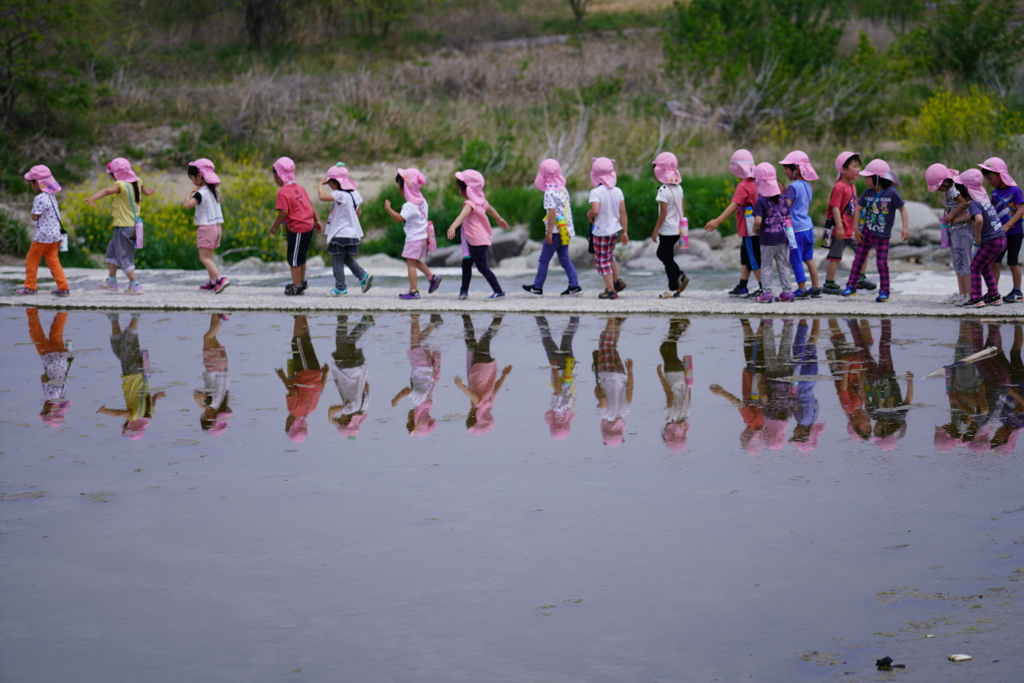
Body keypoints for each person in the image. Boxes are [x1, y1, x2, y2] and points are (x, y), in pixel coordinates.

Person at [841, 158, 909, 302]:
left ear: (877, 178)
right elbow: (858, 210)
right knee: (858, 259)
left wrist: (905, 228)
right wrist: (856, 229)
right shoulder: (867, 193)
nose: (865, 180)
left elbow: (902, 209)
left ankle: (884, 291)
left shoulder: (892, 193)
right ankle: (851, 286)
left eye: (868, 178)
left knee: (881, 264)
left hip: (882, 235)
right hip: (866, 232)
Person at [87, 158, 156, 295]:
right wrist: (148, 192)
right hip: (131, 226)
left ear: (116, 175)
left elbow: (107, 191)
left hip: (123, 227)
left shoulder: (122, 185)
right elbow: (144, 191)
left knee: (124, 256)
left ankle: (135, 285)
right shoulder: (137, 181)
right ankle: (111, 281)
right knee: (112, 250)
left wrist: (93, 198)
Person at [97, 313, 165, 438]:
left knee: (118, 349)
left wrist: (157, 396)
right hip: (132, 375)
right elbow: (120, 413)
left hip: (138, 375)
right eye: (126, 425)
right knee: (129, 343)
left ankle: (114, 318)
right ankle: (136, 316)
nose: (126, 422)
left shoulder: (148, 414)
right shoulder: (134, 416)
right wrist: (105, 411)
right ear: (132, 426)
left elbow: (152, 401)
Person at [446, 169, 510, 300]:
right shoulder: (482, 201)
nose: (459, 191)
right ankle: (463, 291)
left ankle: (498, 291)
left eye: (460, 189)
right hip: (470, 239)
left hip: (476, 240)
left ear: (467, 189)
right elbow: (491, 210)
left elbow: (461, 216)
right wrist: (499, 218)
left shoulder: (470, 204)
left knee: (482, 267)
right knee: (466, 263)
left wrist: (453, 226)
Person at [704, 149, 761, 298]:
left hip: (749, 230)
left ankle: (763, 286)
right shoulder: (757, 182)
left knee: (753, 257)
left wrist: (718, 221)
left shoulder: (743, 186)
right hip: (757, 227)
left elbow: (734, 205)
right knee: (745, 255)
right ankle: (742, 285)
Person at [850, 318, 913, 449]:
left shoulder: (874, 415)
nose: (875, 428)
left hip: (872, 378)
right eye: (877, 431)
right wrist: (909, 383)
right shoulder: (898, 415)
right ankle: (886, 319)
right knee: (884, 346)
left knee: (862, 351)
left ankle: (851, 322)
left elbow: (866, 399)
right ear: (885, 430)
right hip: (888, 374)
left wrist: (862, 381)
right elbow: (908, 399)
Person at [523, 159, 582, 297]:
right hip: (565, 230)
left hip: (555, 231)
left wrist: (549, 233)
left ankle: (537, 287)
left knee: (544, 260)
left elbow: (552, 213)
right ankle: (574, 285)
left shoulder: (549, 192)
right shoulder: (563, 189)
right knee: (564, 259)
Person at [268, 157, 323, 296]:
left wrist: (274, 227)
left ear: (276, 175)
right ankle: (302, 282)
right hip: (309, 226)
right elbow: (310, 204)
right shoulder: (300, 188)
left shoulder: (282, 192)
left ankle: (296, 286)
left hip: (298, 228)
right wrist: (317, 220)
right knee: (302, 256)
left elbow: (284, 212)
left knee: (293, 259)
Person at [385, 168, 442, 300]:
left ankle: (413, 291)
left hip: (414, 238)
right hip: (423, 237)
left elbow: (399, 218)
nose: (398, 187)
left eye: (399, 185)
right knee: (415, 261)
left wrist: (388, 209)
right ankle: (432, 277)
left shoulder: (409, 205)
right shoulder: (422, 200)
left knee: (410, 264)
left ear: (405, 187)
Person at [710, 319, 766, 453]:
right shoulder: (751, 421)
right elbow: (739, 404)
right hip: (753, 378)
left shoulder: (765, 422)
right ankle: (757, 320)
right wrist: (722, 392)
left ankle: (756, 321)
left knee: (757, 349)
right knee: (753, 348)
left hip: (763, 378)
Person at [318, 163, 372, 297]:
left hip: (340, 233)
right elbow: (358, 212)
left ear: (337, 182)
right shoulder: (355, 194)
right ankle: (363, 275)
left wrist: (320, 184)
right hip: (352, 233)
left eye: (330, 184)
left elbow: (322, 197)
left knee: (336, 260)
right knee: (345, 257)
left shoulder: (340, 194)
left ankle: (340, 288)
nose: (330, 187)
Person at [16, 166, 70, 297]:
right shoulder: (51, 196)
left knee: (31, 261)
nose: (31, 186)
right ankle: (63, 287)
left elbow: (35, 217)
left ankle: (30, 287)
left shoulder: (39, 198)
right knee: (53, 262)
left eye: (31, 183)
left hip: (43, 237)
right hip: (55, 236)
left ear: (37, 183)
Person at [956, 169, 1006, 308]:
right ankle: (994, 295)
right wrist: (961, 219)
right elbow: (979, 217)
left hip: (991, 241)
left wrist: (977, 236)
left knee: (975, 267)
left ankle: (976, 298)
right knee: (984, 267)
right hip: (1001, 238)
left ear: (966, 189)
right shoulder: (984, 200)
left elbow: (978, 219)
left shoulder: (973, 204)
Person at [455, 315, 512, 435]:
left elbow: (496, 387)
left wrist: (504, 375)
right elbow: (471, 394)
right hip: (480, 366)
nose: (468, 414)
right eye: (469, 417)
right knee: (485, 339)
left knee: (471, 341)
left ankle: (466, 316)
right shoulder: (478, 404)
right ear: (474, 417)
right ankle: (498, 316)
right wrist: (461, 386)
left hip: (485, 366)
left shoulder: (489, 402)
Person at [276, 315, 328, 442]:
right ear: (291, 425)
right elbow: (293, 391)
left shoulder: (310, 410)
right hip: (305, 372)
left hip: (316, 372)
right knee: (297, 341)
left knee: (306, 340)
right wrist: (282, 376)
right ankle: (299, 312)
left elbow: (319, 391)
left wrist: (325, 374)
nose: (286, 421)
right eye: (287, 425)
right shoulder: (294, 410)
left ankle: (302, 315)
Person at [925, 163, 972, 305]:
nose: (938, 190)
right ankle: (962, 293)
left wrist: (952, 216)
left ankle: (968, 294)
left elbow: (965, 204)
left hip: (962, 229)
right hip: (954, 229)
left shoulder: (953, 189)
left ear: (945, 181)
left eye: (939, 187)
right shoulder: (949, 189)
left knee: (963, 261)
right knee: (957, 262)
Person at [979, 157, 1024, 303]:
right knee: (995, 262)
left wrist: (1008, 225)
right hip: (998, 235)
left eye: (991, 178)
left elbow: (1021, 209)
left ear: (1001, 175)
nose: (989, 181)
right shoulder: (995, 193)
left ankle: (1017, 291)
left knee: (1012, 261)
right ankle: (993, 292)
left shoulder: (1015, 191)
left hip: (1014, 233)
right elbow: (991, 210)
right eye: (987, 178)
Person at [183, 159, 229, 293]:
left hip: (206, 228)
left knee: (204, 258)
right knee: (209, 257)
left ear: (199, 176)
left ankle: (221, 279)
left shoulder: (200, 193)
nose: (192, 181)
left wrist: (189, 192)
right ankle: (213, 281)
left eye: (192, 178)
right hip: (217, 227)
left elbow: (187, 206)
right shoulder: (214, 191)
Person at [392, 313, 443, 436]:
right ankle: (415, 317)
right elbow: (407, 390)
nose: (408, 417)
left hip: (430, 367)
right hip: (421, 366)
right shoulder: (418, 401)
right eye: (410, 420)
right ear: (416, 419)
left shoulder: (431, 401)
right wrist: (396, 399)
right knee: (414, 342)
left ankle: (433, 325)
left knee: (420, 341)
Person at [751, 163, 795, 303]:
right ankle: (787, 292)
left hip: (767, 240)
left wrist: (755, 230)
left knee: (766, 266)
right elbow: (787, 218)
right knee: (783, 265)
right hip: (782, 239)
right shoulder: (783, 200)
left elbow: (758, 220)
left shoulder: (761, 201)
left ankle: (767, 294)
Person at [586, 157, 629, 300]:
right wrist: (625, 231)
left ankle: (610, 290)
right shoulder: (618, 191)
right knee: (610, 256)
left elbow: (596, 210)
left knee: (602, 260)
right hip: (615, 230)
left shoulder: (596, 192)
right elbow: (623, 212)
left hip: (602, 232)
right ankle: (617, 281)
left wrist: (589, 214)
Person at [779, 151, 820, 298]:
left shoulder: (793, 187)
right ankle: (815, 286)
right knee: (808, 257)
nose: (785, 172)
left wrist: (781, 197)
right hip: (808, 227)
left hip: (796, 230)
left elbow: (785, 208)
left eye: (786, 169)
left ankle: (801, 288)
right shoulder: (807, 185)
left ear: (796, 169)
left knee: (795, 258)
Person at [649, 152, 690, 298]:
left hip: (667, 230)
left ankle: (674, 288)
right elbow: (682, 208)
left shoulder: (663, 190)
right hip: (678, 228)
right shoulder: (679, 188)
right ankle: (680, 276)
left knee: (666, 258)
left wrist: (655, 231)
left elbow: (663, 214)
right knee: (664, 254)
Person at [328, 314, 374, 439]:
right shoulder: (348, 410)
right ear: (347, 420)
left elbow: (367, 385)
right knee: (340, 341)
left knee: (349, 343)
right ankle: (342, 317)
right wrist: (333, 421)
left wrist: (357, 377)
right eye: (341, 421)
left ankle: (364, 325)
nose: (340, 417)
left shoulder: (364, 405)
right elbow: (331, 410)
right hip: (347, 368)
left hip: (358, 366)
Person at [535, 315, 580, 440]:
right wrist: (554, 368)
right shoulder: (557, 408)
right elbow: (559, 390)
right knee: (546, 339)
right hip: (559, 368)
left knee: (567, 338)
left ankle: (575, 315)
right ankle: (538, 314)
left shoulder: (570, 409)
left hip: (569, 369)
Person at [26, 308, 73, 428]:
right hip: (48, 357)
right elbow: (43, 377)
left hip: (62, 357)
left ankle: (63, 310)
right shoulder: (50, 396)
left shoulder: (63, 394)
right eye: (44, 411)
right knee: (35, 333)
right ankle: (31, 310)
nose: (43, 408)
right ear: (51, 409)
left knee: (56, 332)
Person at [822, 152, 861, 294]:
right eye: (855, 166)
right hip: (841, 230)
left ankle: (860, 278)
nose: (858, 170)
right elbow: (835, 208)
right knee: (835, 257)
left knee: (862, 250)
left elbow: (854, 208)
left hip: (850, 229)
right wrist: (839, 228)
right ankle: (829, 284)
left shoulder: (853, 187)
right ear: (843, 170)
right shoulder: (839, 187)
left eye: (859, 167)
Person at [592, 317, 633, 445]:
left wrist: (630, 371)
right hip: (607, 374)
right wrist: (597, 390)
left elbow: (630, 389)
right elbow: (603, 399)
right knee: (605, 343)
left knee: (612, 346)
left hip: (621, 374)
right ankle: (611, 316)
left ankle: (618, 323)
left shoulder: (625, 412)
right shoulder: (605, 415)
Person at [193, 313, 232, 435]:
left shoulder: (222, 402)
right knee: (207, 338)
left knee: (213, 337)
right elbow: (197, 394)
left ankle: (215, 310)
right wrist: (201, 404)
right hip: (213, 367)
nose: (203, 414)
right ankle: (222, 318)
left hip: (223, 366)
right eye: (204, 416)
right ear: (208, 418)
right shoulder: (212, 403)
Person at [789, 319, 825, 451]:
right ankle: (803, 319)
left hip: (812, 380)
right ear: (803, 434)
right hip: (800, 380)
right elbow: (795, 402)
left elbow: (815, 401)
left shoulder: (813, 418)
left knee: (811, 345)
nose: (794, 432)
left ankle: (816, 318)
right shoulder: (801, 420)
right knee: (798, 347)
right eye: (795, 435)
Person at [656, 318, 691, 451]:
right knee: (665, 348)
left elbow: (689, 392)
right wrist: (660, 375)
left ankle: (675, 324)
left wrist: (688, 372)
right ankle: (679, 326)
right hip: (672, 374)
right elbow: (669, 394)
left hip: (683, 374)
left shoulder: (686, 415)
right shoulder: (671, 415)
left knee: (669, 349)